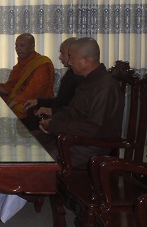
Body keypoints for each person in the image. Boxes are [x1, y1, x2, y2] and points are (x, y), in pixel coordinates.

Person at [37, 37, 124, 169]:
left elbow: (93, 129)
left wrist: (54, 125)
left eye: (72, 58)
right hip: (73, 139)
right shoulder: (87, 80)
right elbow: (71, 111)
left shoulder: (105, 86)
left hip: (89, 147)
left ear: (86, 60)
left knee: (36, 161)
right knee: (31, 143)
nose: (69, 62)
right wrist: (51, 121)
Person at [0, 33, 55, 119]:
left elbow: (33, 91)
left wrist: (11, 104)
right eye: (16, 45)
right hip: (18, 103)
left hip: (34, 107)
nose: (18, 48)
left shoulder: (42, 64)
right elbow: (10, 88)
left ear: (32, 46)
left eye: (22, 45)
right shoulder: (19, 66)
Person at [22, 37, 83, 130]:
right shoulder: (70, 73)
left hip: (62, 121)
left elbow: (73, 111)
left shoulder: (81, 77)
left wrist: (51, 111)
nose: (60, 57)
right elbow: (60, 101)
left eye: (62, 53)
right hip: (55, 115)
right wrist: (38, 101)